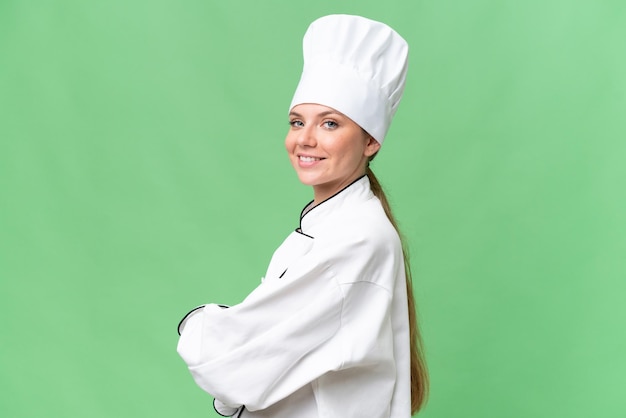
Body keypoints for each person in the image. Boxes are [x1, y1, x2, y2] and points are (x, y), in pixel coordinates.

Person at [177, 14, 428, 417]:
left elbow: (235, 365)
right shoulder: (332, 224)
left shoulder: (358, 237)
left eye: (330, 123)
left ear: (370, 141)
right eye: (297, 122)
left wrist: (196, 325)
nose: (305, 139)